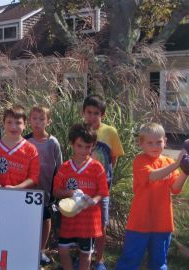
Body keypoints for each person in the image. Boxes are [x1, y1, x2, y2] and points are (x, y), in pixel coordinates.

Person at [116, 123, 188, 270]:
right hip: (139, 222)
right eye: (149, 143)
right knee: (130, 260)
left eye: (159, 142)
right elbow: (152, 176)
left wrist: (185, 172)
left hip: (162, 222)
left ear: (165, 141)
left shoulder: (168, 161)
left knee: (159, 262)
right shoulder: (140, 161)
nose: (155, 146)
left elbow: (175, 188)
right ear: (141, 144)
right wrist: (176, 165)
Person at [53, 123, 109, 270]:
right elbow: (56, 191)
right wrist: (69, 193)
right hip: (69, 219)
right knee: (63, 249)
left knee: (85, 253)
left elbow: (102, 192)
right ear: (72, 144)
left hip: (88, 220)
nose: (84, 150)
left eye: (88, 147)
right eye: (79, 146)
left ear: (93, 146)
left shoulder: (97, 167)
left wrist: (93, 201)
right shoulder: (65, 167)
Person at [82, 94, 124, 270]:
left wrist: (105, 177)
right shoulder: (80, 130)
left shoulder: (110, 132)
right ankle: (84, 257)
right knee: (84, 224)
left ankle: (99, 260)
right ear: (83, 113)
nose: (92, 117)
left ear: (103, 115)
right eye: (89, 112)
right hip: (83, 186)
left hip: (102, 188)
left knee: (101, 224)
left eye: (96, 113)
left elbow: (113, 158)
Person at [24, 105, 63, 266]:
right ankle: (26, 247)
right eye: (34, 118)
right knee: (28, 218)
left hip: (47, 189)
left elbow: (60, 168)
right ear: (29, 120)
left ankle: (41, 249)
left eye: (41, 119)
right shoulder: (25, 140)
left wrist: (57, 187)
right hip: (28, 188)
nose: (37, 122)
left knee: (45, 218)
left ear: (48, 121)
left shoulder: (53, 142)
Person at [0, 105, 40, 188]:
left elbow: (34, 177)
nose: (13, 127)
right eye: (9, 122)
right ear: (3, 123)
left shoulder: (31, 149)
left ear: (25, 124)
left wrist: (17, 188)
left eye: (18, 123)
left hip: (20, 197)